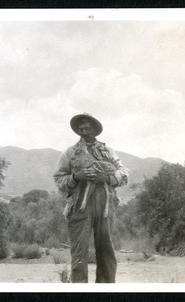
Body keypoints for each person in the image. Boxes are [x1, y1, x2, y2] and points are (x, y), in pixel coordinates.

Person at [53, 113, 129, 283]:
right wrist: (76, 176)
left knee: (106, 252)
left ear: (95, 130)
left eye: (87, 128)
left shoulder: (108, 152)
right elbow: (59, 180)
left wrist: (108, 178)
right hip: (80, 206)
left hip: (106, 207)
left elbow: (124, 174)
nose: (84, 131)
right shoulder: (70, 153)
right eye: (81, 129)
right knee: (79, 253)